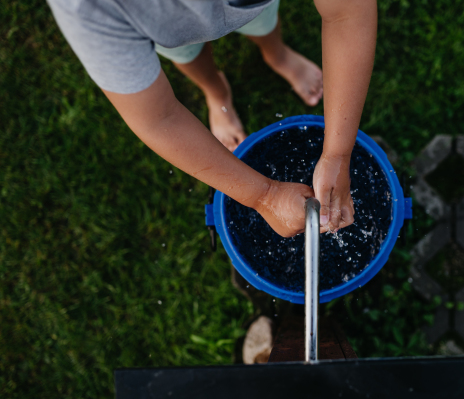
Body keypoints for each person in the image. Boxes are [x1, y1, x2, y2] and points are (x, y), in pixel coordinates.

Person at [47, 0, 377, 238]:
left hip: (252, 6)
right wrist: (263, 197)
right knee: (187, 53)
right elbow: (156, 119)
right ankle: (215, 90)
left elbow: (347, 12)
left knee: (262, 23)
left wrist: (338, 152)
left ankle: (276, 55)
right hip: (170, 29)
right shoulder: (88, 7)